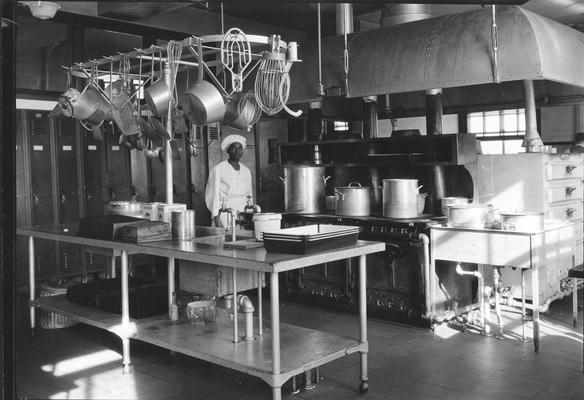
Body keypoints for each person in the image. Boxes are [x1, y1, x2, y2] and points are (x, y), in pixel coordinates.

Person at [205, 134, 253, 228]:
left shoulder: (246, 171)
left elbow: (250, 196)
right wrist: (217, 220)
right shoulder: (218, 169)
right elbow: (212, 196)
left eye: (240, 148)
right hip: (224, 214)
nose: (237, 151)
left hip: (242, 213)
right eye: (234, 148)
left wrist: (250, 217)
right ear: (228, 150)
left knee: (241, 240)